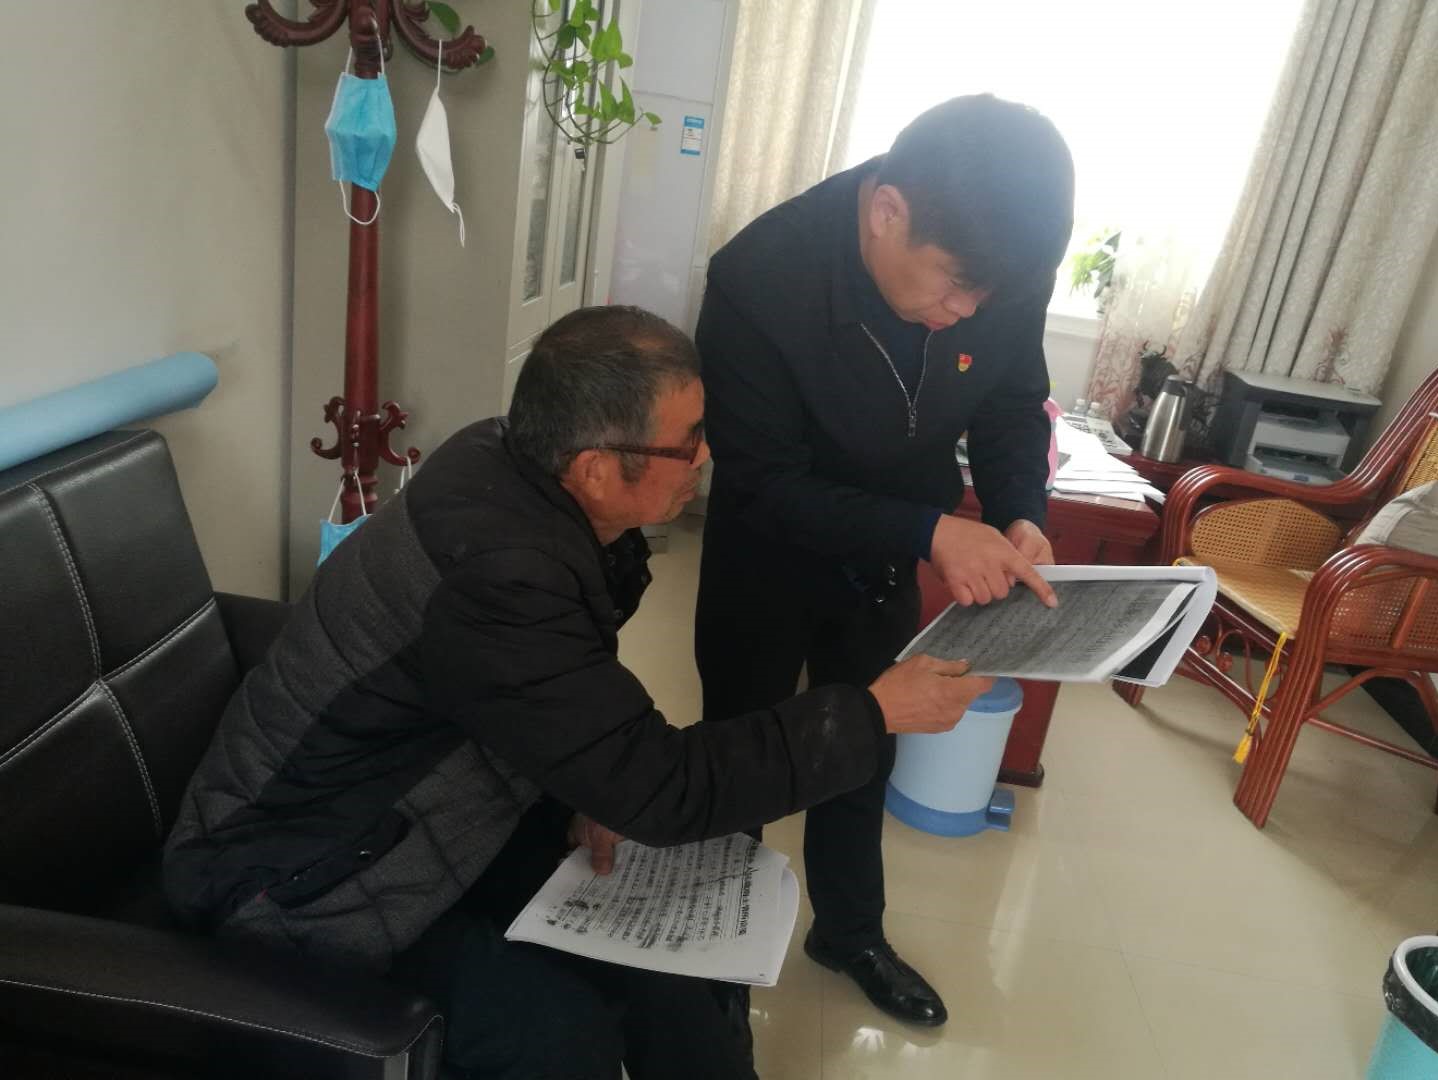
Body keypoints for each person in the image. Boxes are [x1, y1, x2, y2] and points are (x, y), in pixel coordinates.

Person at [163, 305, 994, 1079]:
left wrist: (589, 784)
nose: (706, 457)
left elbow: (559, 703)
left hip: (420, 810)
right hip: (301, 881)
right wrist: (874, 712)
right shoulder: (503, 569)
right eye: (687, 442)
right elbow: (659, 785)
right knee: (562, 1037)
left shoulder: (516, 469)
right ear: (595, 468)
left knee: (679, 968)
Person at [694, 94, 1076, 1027]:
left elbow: (1013, 404)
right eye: (954, 287)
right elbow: (763, 482)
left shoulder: (998, 262)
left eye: (986, 297)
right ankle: (709, 954)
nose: (966, 313)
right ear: (886, 211)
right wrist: (932, 532)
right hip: (768, 551)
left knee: (868, 744)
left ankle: (848, 931)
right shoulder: (759, 279)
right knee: (746, 747)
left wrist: (1020, 512)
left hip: (885, 558)